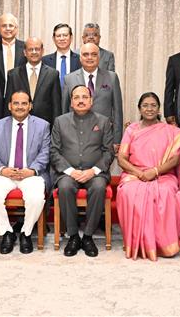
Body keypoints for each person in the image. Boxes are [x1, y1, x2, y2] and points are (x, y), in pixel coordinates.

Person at [116, 92, 180, 260]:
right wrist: (139, 173)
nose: (149, 109)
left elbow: (175, 159)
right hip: (134, 173)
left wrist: (155, 171)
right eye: (145, 105)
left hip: (162, 174)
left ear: (159, 109)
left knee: (166, 191)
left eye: (153, 105)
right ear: (139, 109)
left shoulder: (169, 131)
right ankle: (138, 243)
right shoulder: (131, 130)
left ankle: (164, 245)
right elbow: (121, 158)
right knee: (128, 191)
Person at [50, 85, 114, 257]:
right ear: (71, 102)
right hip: (68, 173)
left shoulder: (103, 121)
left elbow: (108, 152)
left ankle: (87, 236)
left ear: (91, 101)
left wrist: (93, 170)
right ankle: (73, 236)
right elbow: (54, 151)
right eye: (76, 97)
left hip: (95, 172)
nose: (80, 101)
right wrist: (70, 171)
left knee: (99, 187)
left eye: (85, 97)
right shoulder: (60, 121)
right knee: (65, 187)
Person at [0, 90, 51, 254]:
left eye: (24, 103)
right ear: (9, 106)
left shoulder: (43, 125)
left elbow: (45, 152)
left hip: (31, 174)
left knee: (36, 198)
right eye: (16, 103)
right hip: (5, 173)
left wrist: (32, 170)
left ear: (30, 106)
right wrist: (2, 169)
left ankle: (25, 233)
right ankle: (7, 232)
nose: (20, 107)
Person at [61, 43, 124, 143]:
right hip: (75, 136)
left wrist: (117, 140)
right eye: (85, 54)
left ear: (99, 57)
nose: (89, 58)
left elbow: (117, 112)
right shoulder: (69, 79)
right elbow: (64, 111)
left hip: (104, 136)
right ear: (80, 58)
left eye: (94, 54)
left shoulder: (112, 77)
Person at [6, 37, 61, 125]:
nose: (34, 52)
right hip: (19, 124)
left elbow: (56, 107)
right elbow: (8, 104)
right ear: (25, 52)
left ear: (42, 51)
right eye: (30, 49)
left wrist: (55, 129)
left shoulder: (53, 74)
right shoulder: (13, 75)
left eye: (37, 49)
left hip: (45, 125)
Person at [42, 23, 81, 88]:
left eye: (65, 35)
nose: (62, 38)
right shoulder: (44, 61)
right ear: (53, 39)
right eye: (58, 36)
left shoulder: (80, 60)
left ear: (71, 38)